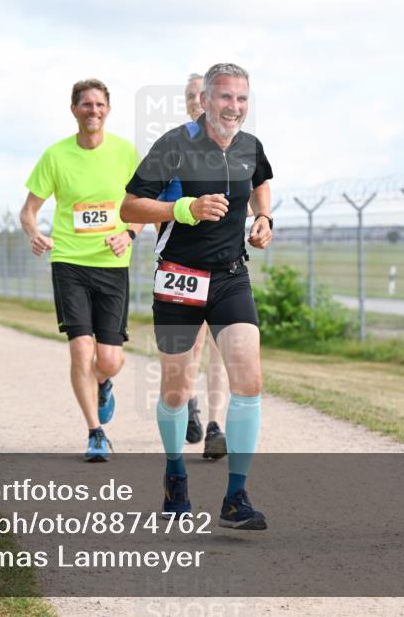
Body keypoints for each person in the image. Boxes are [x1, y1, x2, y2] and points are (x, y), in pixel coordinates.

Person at [121, 62, 273, 529]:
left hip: (230, 276)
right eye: (225, 98)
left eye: (242, 99)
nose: (234, 107)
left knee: (248, 379)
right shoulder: (174, 144)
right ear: (205, 100)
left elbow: (261, 182)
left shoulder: (250, 146)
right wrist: (182, 208)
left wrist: (264, 219)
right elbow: (129, 205)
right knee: (176, 388)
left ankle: (235, 496)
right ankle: (174, 474)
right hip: (180, 277)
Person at [20, 78, 143, 462]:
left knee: (108, 359)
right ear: (74, 109)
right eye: (86, 104)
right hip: (69, 262)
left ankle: (103, 382)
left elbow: (143, 204)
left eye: (99, 104)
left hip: (111, 263)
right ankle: (95, 433)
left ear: (108, 109)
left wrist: (129, 234)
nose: (93, 110)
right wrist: (34, 233)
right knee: (80, 349)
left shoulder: (125, 152)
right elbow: (29, 209)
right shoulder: (56, 156)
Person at [174, 72, 229, 458]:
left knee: (220, 344)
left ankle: (215, 426)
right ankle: (189, 401)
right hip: (182, 260)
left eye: (203, 95)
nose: (198, 101)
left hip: (225, 260)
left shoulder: (234, 145)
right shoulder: (173, 146)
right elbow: (152, 199)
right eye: (192, 96)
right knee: (192, 346)